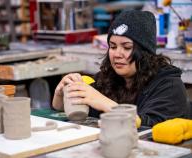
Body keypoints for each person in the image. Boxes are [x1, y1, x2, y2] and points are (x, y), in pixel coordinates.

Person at [52, 10, 190, 127]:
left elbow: (148, 127)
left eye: (127, 47)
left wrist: (102, 101)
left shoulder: (168, 85)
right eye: (112, 46)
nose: (117, 54)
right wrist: (61, 94)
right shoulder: (108, 77)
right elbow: (62, 108)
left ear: (145, 52)